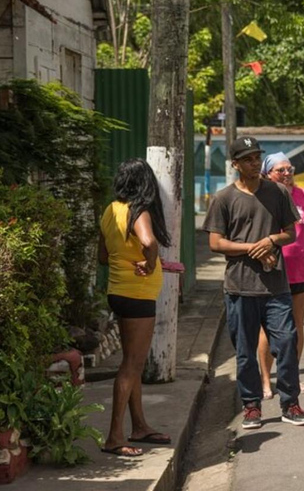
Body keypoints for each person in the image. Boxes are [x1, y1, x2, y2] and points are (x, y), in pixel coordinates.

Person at [203, 137, 304, 430]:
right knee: (245, 351)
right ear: (235, 164)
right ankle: (251, 406)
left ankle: (291, 403)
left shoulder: (277, 192)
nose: (254, 163)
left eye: (256, 157)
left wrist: (272, 240)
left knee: (287, 342)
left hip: (276, 286)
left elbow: (291, 232)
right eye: (248, 159)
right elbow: (215, 243)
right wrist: (253, 248)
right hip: (240, 287)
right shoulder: (224, 198)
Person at [98, 158, 173, 457]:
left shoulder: (110, 210)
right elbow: (149, 242)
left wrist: (136, 259)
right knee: (130, 366)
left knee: (134, 363)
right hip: (137, 295)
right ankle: (114, 437)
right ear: (146, 183)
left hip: (118, 290)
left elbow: (103, 256)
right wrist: (151, 261)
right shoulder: (137, 210)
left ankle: (139, 426)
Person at [258, 152, 304, 398]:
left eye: (289, 169)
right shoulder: (263, 197)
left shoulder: (303, 195)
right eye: (280, 170)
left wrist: (299, 251)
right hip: (273, 272)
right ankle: (266, 380)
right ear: (268, 174)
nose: (287, 174)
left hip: (301, 271)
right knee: (269, 327)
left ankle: (291, 377)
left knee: (296, 325)